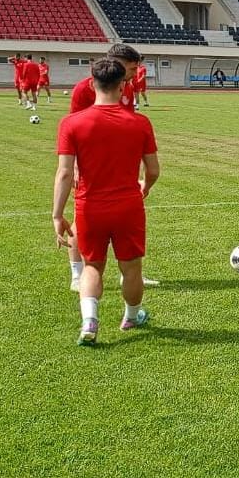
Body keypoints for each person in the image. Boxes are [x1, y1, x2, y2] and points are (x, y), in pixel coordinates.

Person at [52, 57, 160, 346]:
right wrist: (145, 187)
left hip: (89, 206)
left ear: (92, 82)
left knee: (91, 267)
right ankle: (132, 316)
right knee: (131, 269)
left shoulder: (71, 123)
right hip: (128, 206)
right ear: (123, 84)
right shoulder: (140, 123)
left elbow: (64, 173)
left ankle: (90, 321)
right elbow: (153, 170)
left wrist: (57, 215)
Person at [67, 44, 154, 290]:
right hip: (90, 166)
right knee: (80, 219)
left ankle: (131, 274)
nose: (136, 73)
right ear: (115, 62)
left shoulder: (128, 86)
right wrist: (75, 166)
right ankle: (77, 274)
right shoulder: (84, 90)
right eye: (132, 67)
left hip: (119, 164)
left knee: (128, 222)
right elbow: (74, 128)